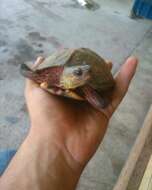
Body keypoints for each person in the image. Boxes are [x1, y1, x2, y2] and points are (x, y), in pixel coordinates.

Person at [0, 56, 138, 190]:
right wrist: (34, 74)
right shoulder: (51, 75)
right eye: (78, 72)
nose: (85, 74)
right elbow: (31, 72)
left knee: (8, 157)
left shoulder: (85, 86)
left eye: (87, 72)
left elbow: (102, 103)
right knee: (8, 157)